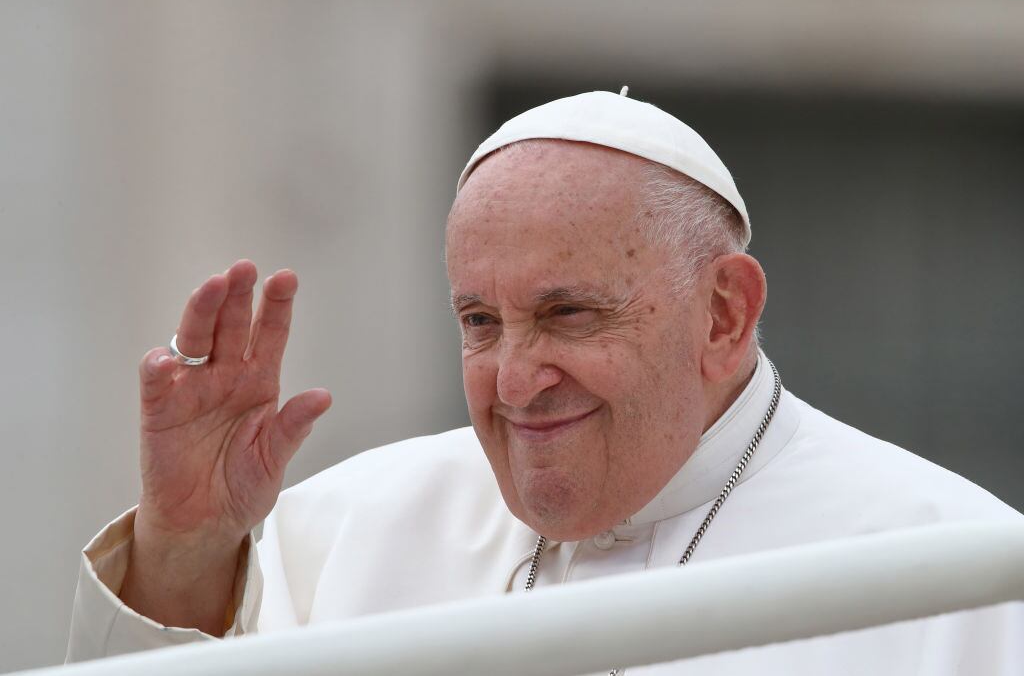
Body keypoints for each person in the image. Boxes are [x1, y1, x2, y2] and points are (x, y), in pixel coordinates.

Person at [67, 91, 1023, 673]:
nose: (517, 380)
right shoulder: (343, 529)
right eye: (480, 322)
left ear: (724, 315)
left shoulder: (963, 571)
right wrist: (185, 556)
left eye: (569, 314)